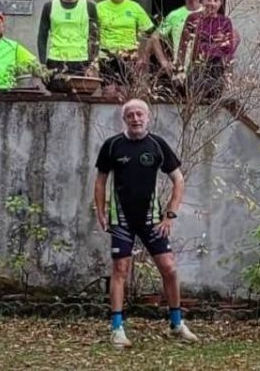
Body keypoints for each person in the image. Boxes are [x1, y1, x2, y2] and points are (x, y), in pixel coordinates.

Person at [94, 99, 198, 347]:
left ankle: (176, 324)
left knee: (169, 268)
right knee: (120, 271)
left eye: (140, 114)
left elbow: (179, 180)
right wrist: (100, 211)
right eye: (130, 115)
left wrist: (170, 214)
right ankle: (117, 328)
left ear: (148, 117)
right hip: (121, 221)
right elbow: (100, 181)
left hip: (152, 221)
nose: (135, 118)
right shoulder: (112, 146)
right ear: (125, 119)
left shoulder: (157, 145)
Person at [176, 0, 240, 101]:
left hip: (216, 67)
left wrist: (228, 74)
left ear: (220, 3)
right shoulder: (194, 18)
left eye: (216, 0)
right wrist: (180, 69)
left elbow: (228, 49)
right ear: (202, 1)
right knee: (193, 98)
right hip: (197, 65)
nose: (212, 3)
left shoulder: (225, 22)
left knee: (213, 101)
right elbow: (184, 43)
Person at [96, 0, 154, 95]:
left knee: (126, 93)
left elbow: (151, 34)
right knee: (108, 93)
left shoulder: (135, 7)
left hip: (129, 57)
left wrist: (143, 56)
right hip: (106, 57)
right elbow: (91, 34)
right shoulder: (99, 7)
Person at [37, 0, 100, 79]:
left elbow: (95, 37)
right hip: (55, 60)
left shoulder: (89, 7)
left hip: (81, 60)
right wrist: (42, 63)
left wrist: (93, 62)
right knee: (56, 95)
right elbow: (42, 36)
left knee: (80, 95)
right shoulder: (49, 6)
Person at [150, 0, 204, 75]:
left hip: (203, 69)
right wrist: (163, 62)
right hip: (180, 68)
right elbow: (155, 37)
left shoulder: (208, 12)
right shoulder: (174, 15)